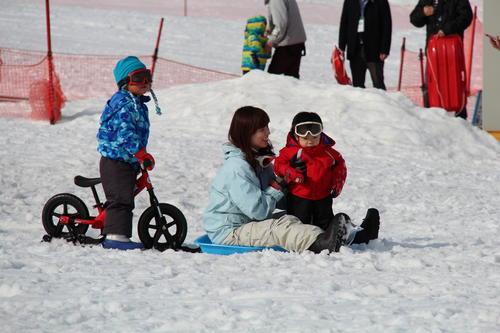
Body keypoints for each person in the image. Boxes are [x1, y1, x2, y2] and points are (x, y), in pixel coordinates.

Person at [203, 106, 348, 254]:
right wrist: (279, 184)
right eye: (262, 129)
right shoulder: (236, 169)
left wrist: (298, 186)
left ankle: (343, 234)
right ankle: (323, 243)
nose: (268, 132)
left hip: (247, 223)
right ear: (247, 134)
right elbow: (259, 211)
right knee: (279, 228)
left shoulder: (259, 162)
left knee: (293, 217)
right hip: (231, 231)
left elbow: (280, 200)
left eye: (267, 127)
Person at [274, 112, 380, 245]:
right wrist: (292, 172)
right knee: (300, 224)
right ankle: (309, 241)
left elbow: (340, 166)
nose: (310, 140)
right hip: (298, 197)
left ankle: (353, 234)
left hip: (323, 197)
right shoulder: (290, 152)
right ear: (296, 135)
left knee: (325, 223)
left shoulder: (329, 152)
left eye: (315, 134)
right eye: (305, 136)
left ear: (321, 133)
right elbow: (278, 165)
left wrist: (337, 183)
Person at [96, 56, 161, 250]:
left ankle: (113, 227)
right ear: (125, 82)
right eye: (139, 77)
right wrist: (141, 153)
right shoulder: (123, 103)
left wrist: (140, 155)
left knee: (124, 195)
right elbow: (125, 134)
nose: (145, 82)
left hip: (127, 160)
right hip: (116, 161)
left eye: (147, 76)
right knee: (121, 199)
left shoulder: (137, 103)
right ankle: (115, 236)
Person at [410, 0, 473, 118]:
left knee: (455, 84)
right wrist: (423, 13)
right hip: (433, 53)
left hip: (452, 52)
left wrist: (447, 30)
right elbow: (414, 19)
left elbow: (466, 16)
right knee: (430, 85)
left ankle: (460, 119)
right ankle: (430, 118)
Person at [338, 0, 392, 90]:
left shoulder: (381, 2)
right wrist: (342, 46)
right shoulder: (350, 1)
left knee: (378, 84)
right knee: (357, 86)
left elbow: (387, 26)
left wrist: (384, 49)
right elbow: (344, 23)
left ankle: (381, 104)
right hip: (355, 48)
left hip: (375, 49)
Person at [265, 0, 307, 79]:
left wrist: (270, 42)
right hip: (296, 43)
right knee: (292, 80)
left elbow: (280, 26)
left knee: (272, 80)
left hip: (288, 46)